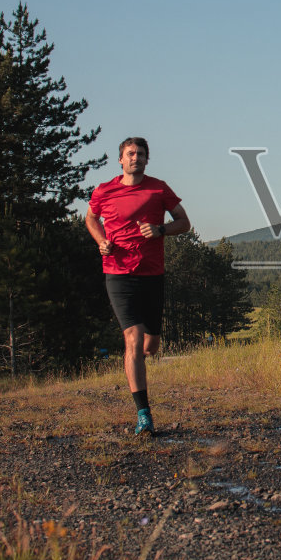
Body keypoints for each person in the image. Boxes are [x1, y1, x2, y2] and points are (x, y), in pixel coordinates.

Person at [85, 137, 191, 436]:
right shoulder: (104, 190)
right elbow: (91, 219)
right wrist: (101, 241)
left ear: (147, 159)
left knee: (150, 344)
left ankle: (137, 364)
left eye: (141, 154)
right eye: (130, 154)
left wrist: (160, 230)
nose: (136, 158)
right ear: (120, 159)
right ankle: (144, 414)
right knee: (132, 339)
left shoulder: (159, 188)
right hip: (117, 272)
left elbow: (184, 222)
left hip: (151, 274)